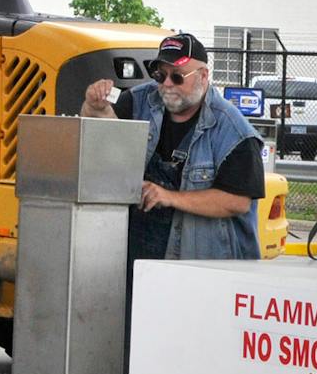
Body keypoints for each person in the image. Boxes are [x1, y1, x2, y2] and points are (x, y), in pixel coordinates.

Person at [82, 32, 264, 262]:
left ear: (203, 75)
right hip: (136, 259)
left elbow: (237, 201)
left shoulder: (234, 131)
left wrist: (168, 196)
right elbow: (99, 144)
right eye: (160, 74)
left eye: (177, 76)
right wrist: (94, 108)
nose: (167, 84)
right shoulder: (138, 101)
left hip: (201, 267)